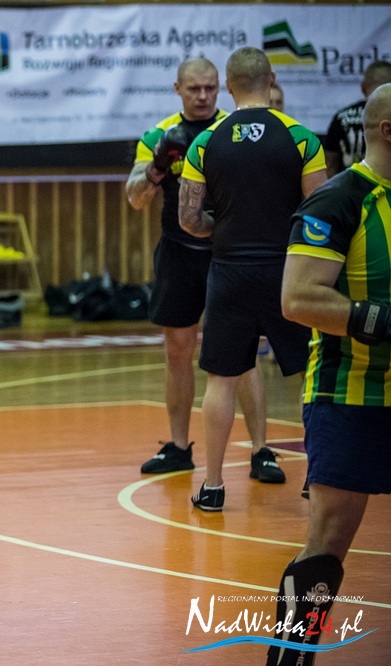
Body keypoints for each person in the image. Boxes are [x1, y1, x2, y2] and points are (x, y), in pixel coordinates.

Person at [265, 83, 391, 666]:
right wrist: (383, 321)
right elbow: (297, 299)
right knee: (329, 541)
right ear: (387, 130)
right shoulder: (339, 200)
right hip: (349, 393)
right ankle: (291, 656)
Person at [178, 47, 327, 511]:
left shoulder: (206, 142)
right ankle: (318, 478)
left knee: (222, 380)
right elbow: (320, 216)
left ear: (228, 85)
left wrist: (223, 228)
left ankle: (213, 486)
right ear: (272, 79)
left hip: (229, 270)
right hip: (287, 272)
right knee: (310, 376)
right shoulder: (301, 138)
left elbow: (188, 219)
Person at [126, 58, 271, 481]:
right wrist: (157, 167)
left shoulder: (232, 131)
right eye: (194, 89)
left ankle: (262, 451)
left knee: (243, 352)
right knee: (178, 350)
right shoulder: (158, 135)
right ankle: (178, 447)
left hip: (227, 254)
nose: (203, 96)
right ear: (178, 89)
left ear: (221, 87)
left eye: (210, 88)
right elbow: (135, 198)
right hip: (178, 253)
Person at [322, 60, 391, 178]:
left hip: (347, 186)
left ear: (363, 87)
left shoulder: (341, 118)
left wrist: (333, 188)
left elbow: (329, 165)